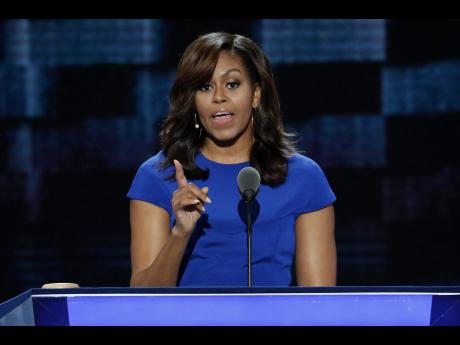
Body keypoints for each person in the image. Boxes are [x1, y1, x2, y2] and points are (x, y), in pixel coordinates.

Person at [127, 32, 336, 287]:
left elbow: (319, 301)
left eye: (232, 84)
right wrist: (180, 233)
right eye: (205, 87)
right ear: (193, 101)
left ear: (256, 94)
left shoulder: (303, 177)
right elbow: (142, 300)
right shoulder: (158, 175)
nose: (219, 97)